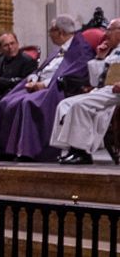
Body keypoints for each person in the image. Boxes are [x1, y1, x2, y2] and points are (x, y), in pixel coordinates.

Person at [0, 14, 91, 161]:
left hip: (57, 88)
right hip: (39, 84)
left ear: (60, 32)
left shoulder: (81, 48)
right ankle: (3, 150)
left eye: (51, 30)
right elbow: (42, 69)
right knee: (6, 102)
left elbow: (76, 74)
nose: (49, 34)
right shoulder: (58, 49)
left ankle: (29, 152)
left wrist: (43, 84)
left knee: (28, 103)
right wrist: (34, 79)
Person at [50, 19, 120, 163]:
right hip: (105, 90)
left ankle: (82, 153)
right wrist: (100, 58)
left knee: (80, 106)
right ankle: (70, 149)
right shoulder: (114, 51)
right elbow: (95, 81)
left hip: (116, 92)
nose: (106, 34)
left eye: (109, 30)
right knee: (65, 104)